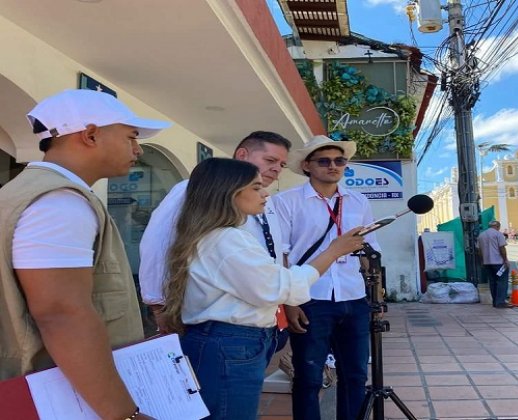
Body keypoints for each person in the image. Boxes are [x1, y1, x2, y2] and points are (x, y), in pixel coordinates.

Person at [0, 89, 170, 419]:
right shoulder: (59, 202)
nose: (138, 149)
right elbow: (62, 314)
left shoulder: (29, 191)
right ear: (90, 135)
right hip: (55, 392)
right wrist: (125, 414)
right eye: (131, 137)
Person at [160, 158, 364, 419]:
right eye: (256, 188)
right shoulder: (226, 239)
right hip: (230, 343)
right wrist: (333, 251)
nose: (265, 192)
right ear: (229, 192)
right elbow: (280, 287)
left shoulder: (220, 235)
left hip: (230, 342)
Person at [139, 131, 292, 333]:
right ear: (242, 155)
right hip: (213, 320)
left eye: (282, 164)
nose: (276, 169)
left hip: (259, 316)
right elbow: (157, 244)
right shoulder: (193, 189)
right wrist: (158, 304)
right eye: (270, 160)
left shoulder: (266, 201)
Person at [273, 135, 379, 420]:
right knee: (308, 378)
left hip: (354, 297)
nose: (333, 166)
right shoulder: (285, 202)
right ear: (308, 165)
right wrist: (289, 303)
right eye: (324, 161)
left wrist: (375, 291)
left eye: (339, 160)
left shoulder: (358, 201)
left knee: (355, 375)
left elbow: (371, 250)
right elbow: (281, 255)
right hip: (310, 298)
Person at [476, 220, 512, 308]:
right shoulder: (498, 234)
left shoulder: (481, 235)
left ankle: (495, 301)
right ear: (498, 226)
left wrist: (482, 261)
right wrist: (505, 260)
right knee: (502, 281)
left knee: (492, 282)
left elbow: (479, 251)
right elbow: (502, 248)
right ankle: (500, 302)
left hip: (487, 262)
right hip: (498, 262)